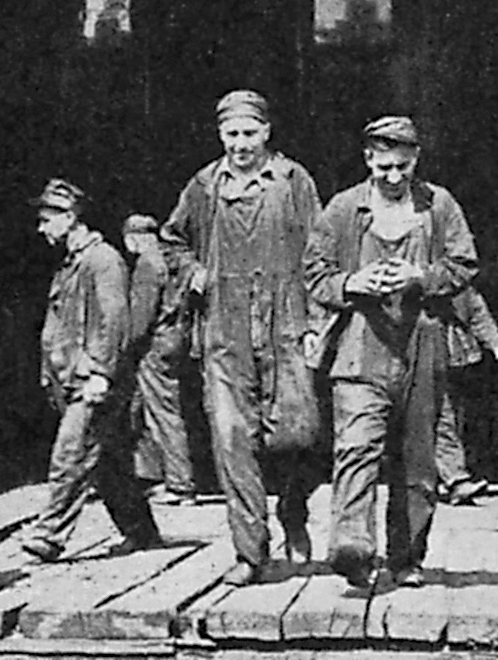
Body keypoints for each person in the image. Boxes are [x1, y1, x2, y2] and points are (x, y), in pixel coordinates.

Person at [303, 116, 478, 589]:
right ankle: (353, 547)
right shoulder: (343, 210)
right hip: (362, 343)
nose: (394, 177)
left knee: (418, 460)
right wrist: (351, 283)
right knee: (356, 445)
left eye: (403, 166)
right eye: (384, 167)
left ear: (416, 158)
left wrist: (420, 277)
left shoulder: (438, 206)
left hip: (423, 340)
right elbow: (314, 274)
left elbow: (463, 263)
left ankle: (407, 558)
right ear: (367, 160)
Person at [161, 90, 323, 586]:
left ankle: (293, 507)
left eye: (249, 133)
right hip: (225, 329)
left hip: (286, 322)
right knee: (232, 439)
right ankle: (250, 553)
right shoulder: (206, 184)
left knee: (299, 433)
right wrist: (192, 270)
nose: (240, 144)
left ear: (267, 132)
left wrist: (316, 321)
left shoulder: (293, 180)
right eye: (231, 134)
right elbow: (172, 237)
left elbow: (320, 252)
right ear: (220, 136)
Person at [22, 179, 161, 562]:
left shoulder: (103, 260)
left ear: (70, 218)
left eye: (47, 219)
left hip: (94, 382)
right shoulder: (71, 263)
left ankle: (49, 534)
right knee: (109, 462)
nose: (41, 228)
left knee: (71, 452)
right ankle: (142, 531)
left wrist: (101, 372)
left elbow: (115, 320)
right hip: (72, 379)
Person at [123, 213, 198, 507]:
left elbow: (141, 317)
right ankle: (149, 477)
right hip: (175, 338)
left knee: (163, 412)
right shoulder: (171, 260)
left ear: (135, 237)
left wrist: (125, 345)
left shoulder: (146, 264)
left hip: (155, 345)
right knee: (142, 408)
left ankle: (180, 485)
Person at [437, 286, 498, 505]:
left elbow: (478, 312)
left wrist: (494, 343)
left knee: (454, 418)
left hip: (456, 358)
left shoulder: (461, 287)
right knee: (442, 418)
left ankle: (448, 479)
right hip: (424, 358)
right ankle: (455, 479)